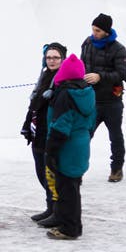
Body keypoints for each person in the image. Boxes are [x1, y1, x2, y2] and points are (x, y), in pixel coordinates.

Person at [44, 54, 97, 240]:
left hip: (67, 146)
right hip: (81, 144)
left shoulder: (65, 94)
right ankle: (73, 223)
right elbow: (92, 120)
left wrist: (51, 151)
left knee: (66, 189)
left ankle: (69, 228)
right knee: (73, 187)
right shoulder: (88, 91)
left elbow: (61, 126)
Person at [20, 44, 67, 225]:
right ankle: (50, 207)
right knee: (42, 172)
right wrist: (27, 125)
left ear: (62, 59)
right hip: (38, 131)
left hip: (50, 132)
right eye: (49, 58)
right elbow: (34, 104)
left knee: (51, 174)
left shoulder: (63, 80)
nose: (52, 61)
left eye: (56, 57)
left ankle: (58, 210)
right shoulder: (44, 76)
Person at [79, 13, 126, 182]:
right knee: (83, 136)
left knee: (115, 136)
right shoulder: (87, 43)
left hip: (111, 101)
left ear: (107, 31)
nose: (94, 33)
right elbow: (81, 65)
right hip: (90, 100)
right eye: (93, 29)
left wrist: (100, 76)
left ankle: (117, 169)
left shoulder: (119, 49)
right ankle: (77, 171)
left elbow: (120, 73)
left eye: (98, 30)